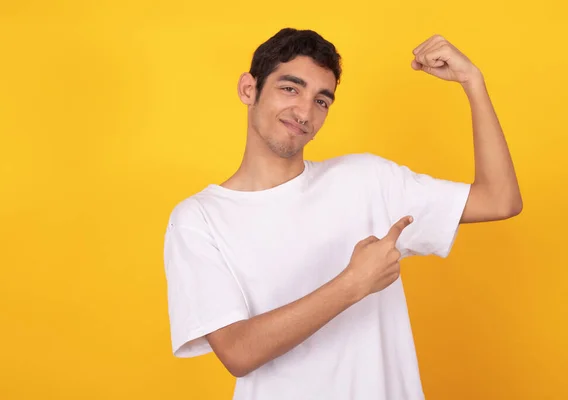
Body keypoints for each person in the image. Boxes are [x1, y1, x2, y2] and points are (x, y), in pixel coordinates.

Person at [162, 28, 522, 400]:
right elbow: (238, 351)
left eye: (321, 101)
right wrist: (353, 283)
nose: (304, 111)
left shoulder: (366, 180)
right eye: (290, 88)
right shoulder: (198, 219)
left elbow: (500, 199)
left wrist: (472, 81)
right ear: (248, 89)